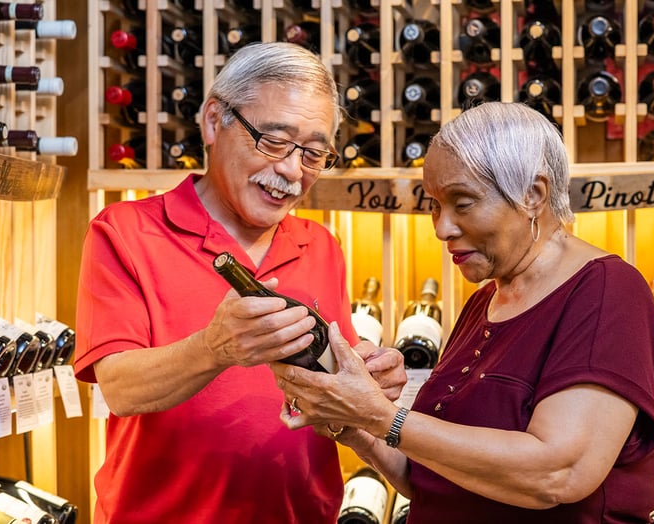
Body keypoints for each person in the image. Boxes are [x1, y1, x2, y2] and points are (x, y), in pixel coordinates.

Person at [272, 102, 654, 523]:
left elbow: (557, 473)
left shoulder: (606, 292)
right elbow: (430, 476)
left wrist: (380, 415)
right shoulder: (486, 301)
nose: (442, 228)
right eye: (435, 206)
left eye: (462, 203)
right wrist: (353, 424)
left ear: (532, 195)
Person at [74, 42, 406, 523]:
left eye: (313, 154)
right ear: (214, 121)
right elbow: (121, 387)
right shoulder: (124, 231)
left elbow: (328, 394)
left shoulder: (322, 245)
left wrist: (368, 381)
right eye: (273, 142)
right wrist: (215, 348)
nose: (292, 171)